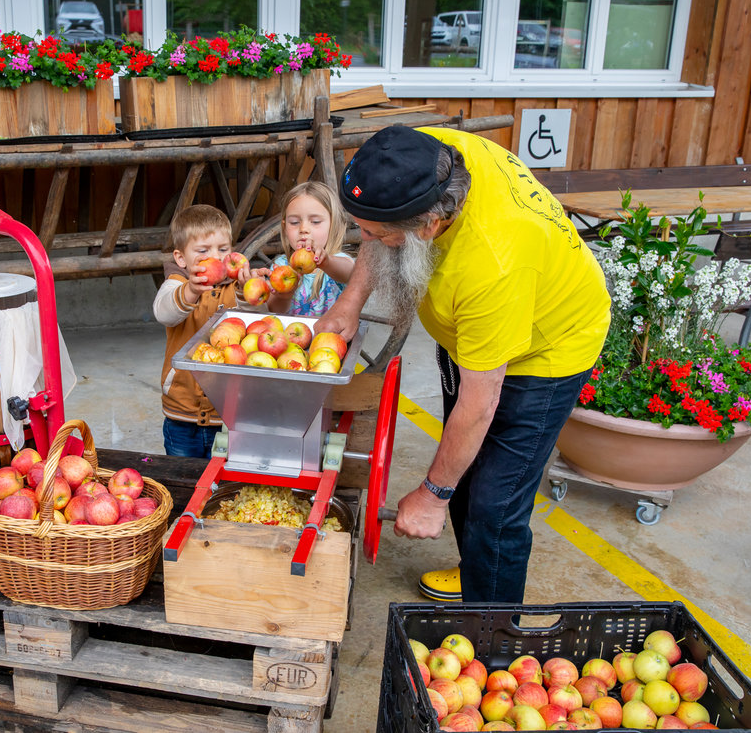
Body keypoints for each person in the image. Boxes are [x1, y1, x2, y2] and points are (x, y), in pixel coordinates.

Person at [315, 125, 610, 604]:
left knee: (495, 506)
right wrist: (350, 300)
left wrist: (431, 495)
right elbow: (379, 220)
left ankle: (493, 634)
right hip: (476, 335)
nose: (362, 239)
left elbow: (479, 401)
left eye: (376, 234)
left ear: (429, 226)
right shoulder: (425, 156)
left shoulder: (493, 264)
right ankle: (476, 567)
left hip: (548, 348)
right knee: (466, 475)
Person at [153, 204, 254, 458]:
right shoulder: (177, 285)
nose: (217, 257)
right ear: (181, 258)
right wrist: (190, 292)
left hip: (227, 414)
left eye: (223, 249)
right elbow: (163, 312)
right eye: (203, 251)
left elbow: (254, 322)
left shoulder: (233, 289)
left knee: (222, 482)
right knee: (183, 479)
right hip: (181, 413)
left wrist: (248, 289)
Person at [265, 181, 356, 316]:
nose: (303, 229)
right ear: (284, 228)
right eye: (294, 222)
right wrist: (283, 297)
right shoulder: (280, 266)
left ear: (333, 225)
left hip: (330, 336)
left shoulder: (338, 261)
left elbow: (350, 273)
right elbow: (274, 311)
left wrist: (327, 262)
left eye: (315, 222)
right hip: (290, 335)